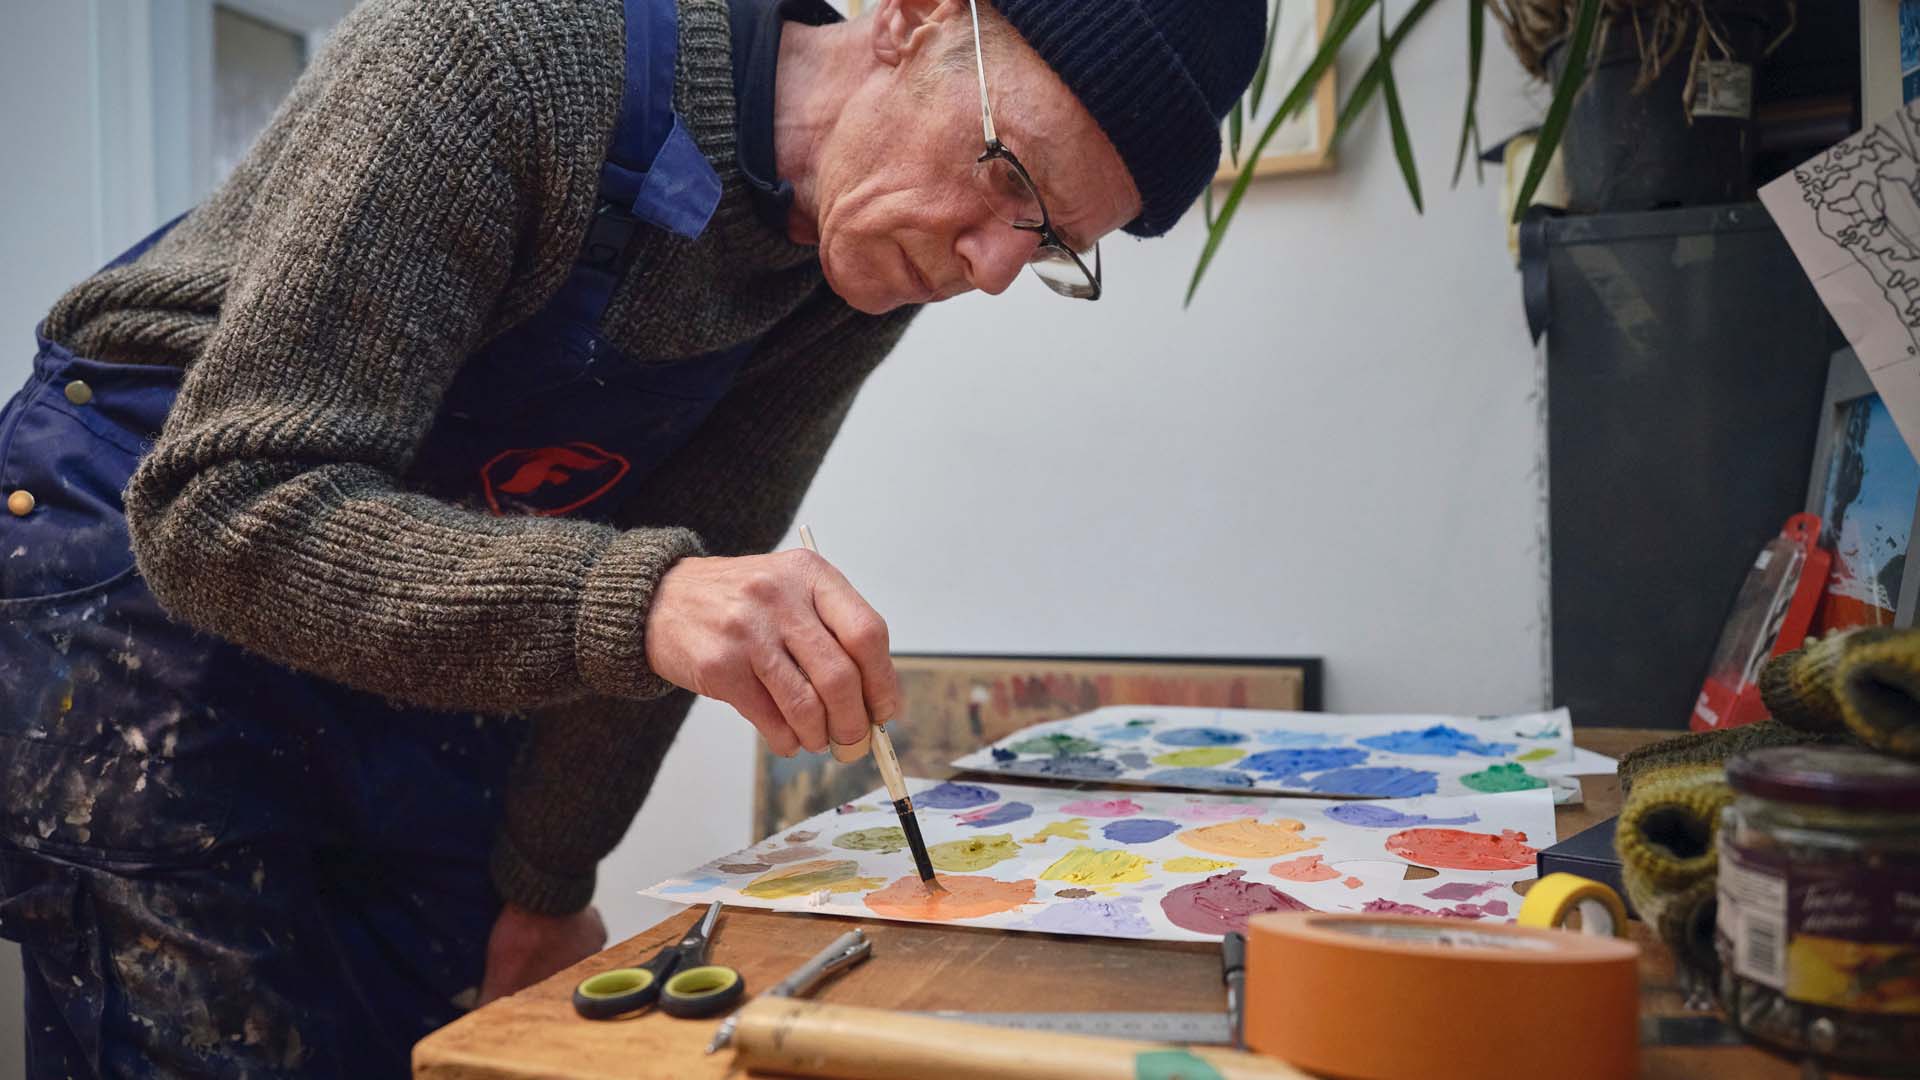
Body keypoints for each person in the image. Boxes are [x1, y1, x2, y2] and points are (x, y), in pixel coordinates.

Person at [0, 0, 1263, 1072]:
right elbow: (220, 511)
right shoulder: (505, 56)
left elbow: (690, 564)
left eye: (1052, 248)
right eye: (1006, 176)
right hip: (138, 593)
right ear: (918, 19)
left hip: (425, 614)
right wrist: (649, 601)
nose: (991, 266)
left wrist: (546, 884)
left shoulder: (859, 257)